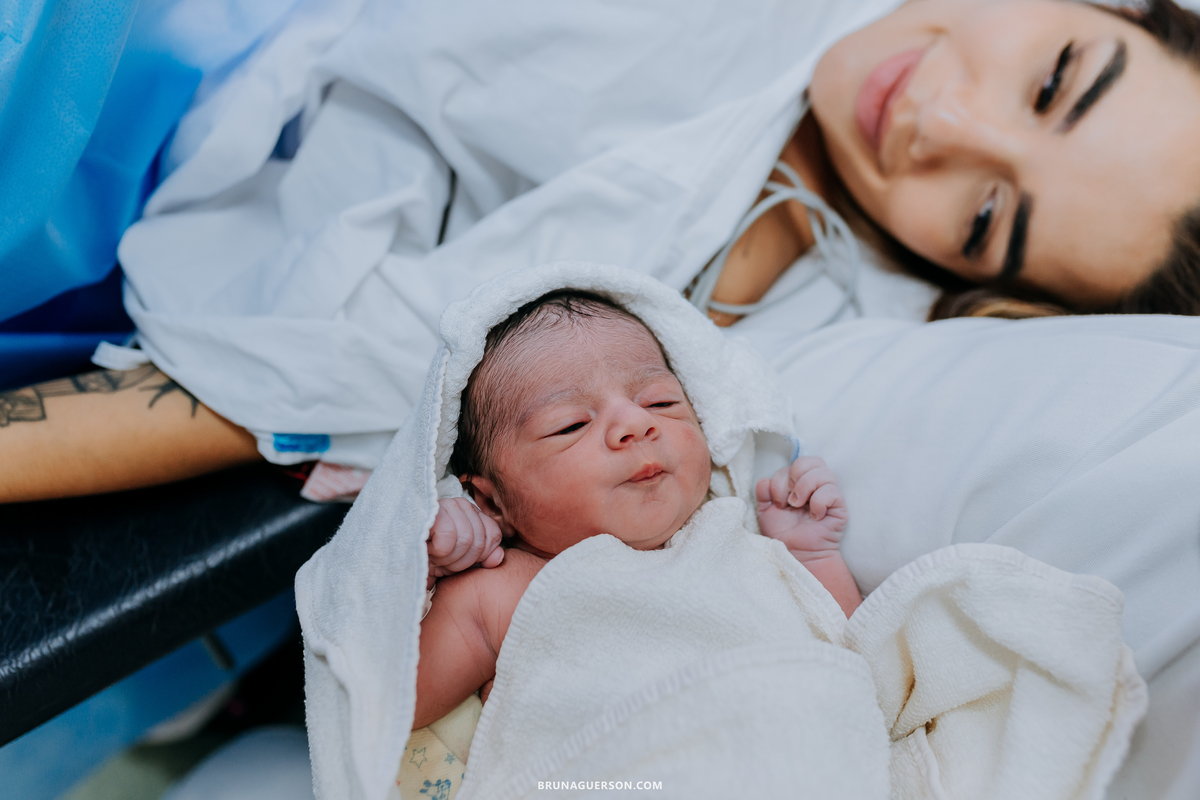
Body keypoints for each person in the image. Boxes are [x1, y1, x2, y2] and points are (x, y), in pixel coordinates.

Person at [4, 0, 1200, 503]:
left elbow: (296, 382)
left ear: (987, 291)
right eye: (1055, 79)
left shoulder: (733, 312)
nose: (941, 120)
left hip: (100, 153)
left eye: (987, 217)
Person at [413, 289, 858, 729]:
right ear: (492, 502)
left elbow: (853, 668)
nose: (636, 422)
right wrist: (420, 566)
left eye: (660, 403)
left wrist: (812, 557)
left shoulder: (736, 541)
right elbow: (394, 702)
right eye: (571, 425)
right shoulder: (501, 591)